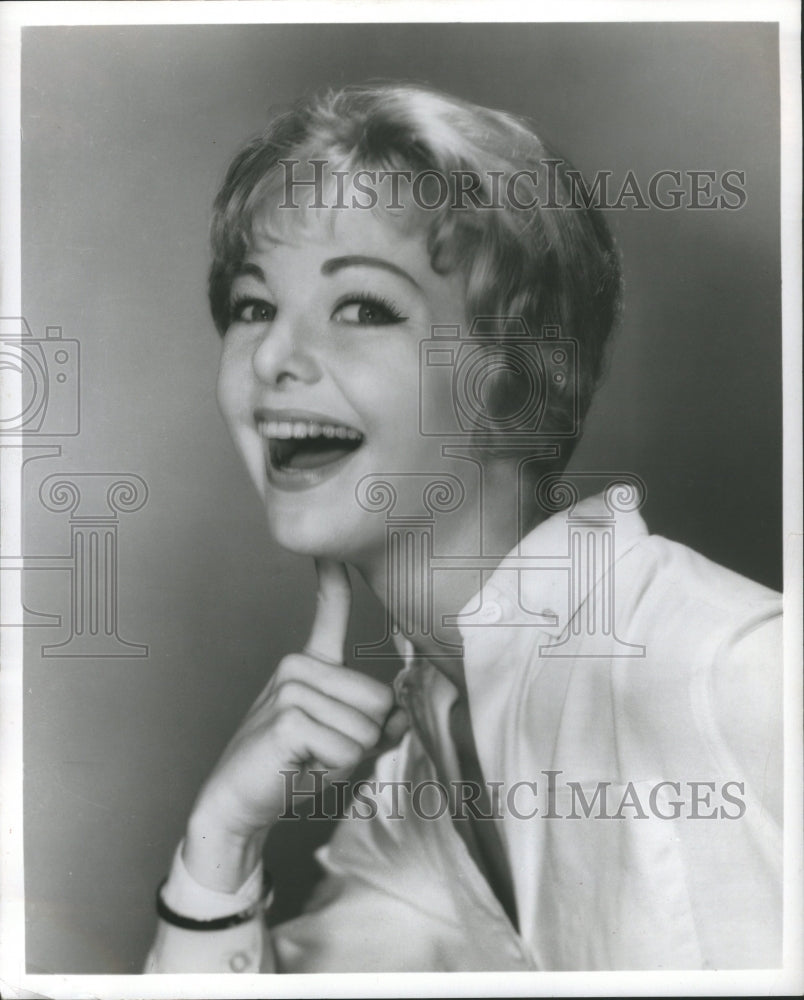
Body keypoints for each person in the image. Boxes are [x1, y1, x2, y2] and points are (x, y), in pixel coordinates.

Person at [145, 83, 782, 973]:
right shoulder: (416, 791)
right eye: (253, 305)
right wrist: (220, 843)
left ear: (516, 373)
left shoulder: (728, 667)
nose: (273, 358)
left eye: (363, 307)